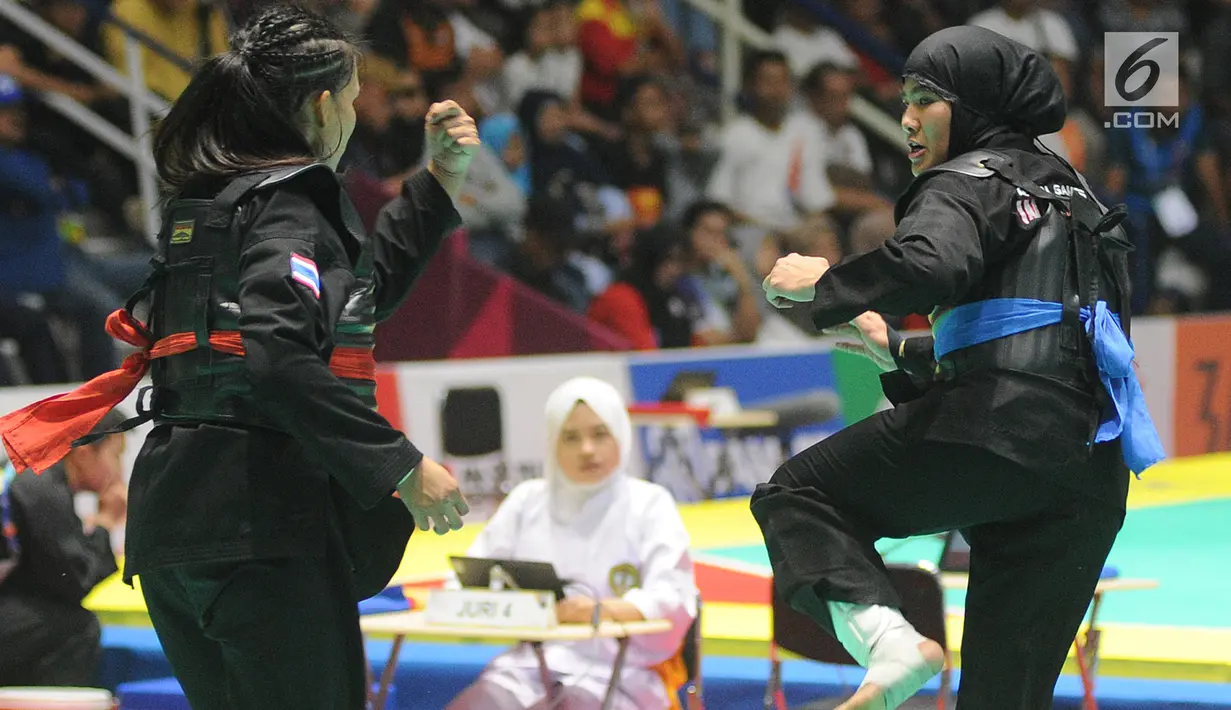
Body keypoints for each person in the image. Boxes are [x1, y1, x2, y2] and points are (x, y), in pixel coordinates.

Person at [0, 6, 478, 709]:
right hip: (258, 531)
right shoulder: (289, 209)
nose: (351, 115)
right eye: (348, 99)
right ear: (321, 105)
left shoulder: (206, 207)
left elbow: (348, 305)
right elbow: (279, 358)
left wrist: (435, 184)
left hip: (174, 530)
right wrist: (400, 468)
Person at [754, 26, 1165, 710]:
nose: (907, 118)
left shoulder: (963, 179)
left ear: (973, 107)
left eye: (925, 99)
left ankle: (889, 643)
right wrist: (898, 348)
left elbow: (929, 264)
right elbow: (1058, 338)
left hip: (1000, 433)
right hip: (1089, 477)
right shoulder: (1080, 197)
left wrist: (823, 284)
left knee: (796, 494)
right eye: (904, 100)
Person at [447, 376, 697, 710]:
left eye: (600, 434)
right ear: (552, 443)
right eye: (571, 438)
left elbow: (672, 599)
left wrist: (599, 612)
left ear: (620, 436)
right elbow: (462, 583)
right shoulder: (527, 502)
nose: (587, 450)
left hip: (624, 676)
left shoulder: (649, 504)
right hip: (527, 669)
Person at [0, 409, 129, 687]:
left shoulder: (23, 475)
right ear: (83, 453)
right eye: (115, 456)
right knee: (76, 627)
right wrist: (106, 522)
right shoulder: (40, 486)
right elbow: (74, 582)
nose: (119, 471)